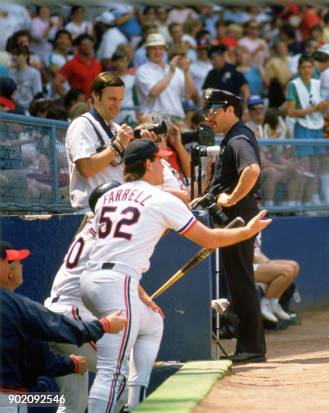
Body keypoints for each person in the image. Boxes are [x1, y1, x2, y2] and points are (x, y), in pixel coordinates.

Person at [80, 138, 270, 412]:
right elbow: (209, 239)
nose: (164, 164)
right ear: (147, 164)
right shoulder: (159, 198)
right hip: (116, 283)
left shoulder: (109, 196)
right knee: (112, 370)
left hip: (92, 280)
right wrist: (247, 232)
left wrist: (138, 293)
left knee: (153, 322)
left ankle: (135, 403)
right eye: (159, 160)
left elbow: (110, 247)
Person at [44, 182, 164, 413]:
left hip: (53, 318)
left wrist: (141, 295)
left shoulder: (93, 227)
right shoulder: (105, 230)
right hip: (73, 318)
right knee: (116, 374)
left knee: (73, 405)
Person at [0, 240, 127, 392]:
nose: (22, 266)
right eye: (17, 262)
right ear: (8, 271)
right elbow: (43, 346)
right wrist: (103, 325)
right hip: (8, 397)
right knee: (124, 378)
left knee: (67, 403)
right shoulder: (17, 306)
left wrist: (68, 364)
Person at [204, 88, 268, 364]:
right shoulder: (233, 136)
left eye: (214, 111)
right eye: (207, 111)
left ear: (230, 109)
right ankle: (250, 345)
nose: (209, 117)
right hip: (235, 217)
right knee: (240, 280)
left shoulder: (238, 137)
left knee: (241, 281)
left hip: (236, 217)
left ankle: (252, 346)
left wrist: (231, 197)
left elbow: (252, 170)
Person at [65, 71, 134, 211]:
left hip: (118, 209)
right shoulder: (82, 124)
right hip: (91, 211)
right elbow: (86, 168)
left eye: (120, 100)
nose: (117, 105)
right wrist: (117, 146)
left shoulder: (118, 129)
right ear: (96, 96)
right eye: (112, 99)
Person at [287, 55, 329, 205]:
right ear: (299, 69)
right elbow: (291, 111)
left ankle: (312, 199)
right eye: (303, 67)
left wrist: (325, 106)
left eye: (309, 67)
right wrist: (314, 109)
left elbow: (326, 103)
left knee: (317, 166)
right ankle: (298, 201)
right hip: (303, 128)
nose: (306, 70)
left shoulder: (317, 83)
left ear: (313, 69)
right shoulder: (293, 85)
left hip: (318, 127)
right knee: (304, 168)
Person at [135, 33, 197, 125]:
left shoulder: (175, 69)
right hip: (154, 120)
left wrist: (186, 72)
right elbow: (153, 93)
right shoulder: (143, 70)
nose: (158, 51)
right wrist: (171, 73)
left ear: (164, 51)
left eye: (160, 48)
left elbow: (188, 93)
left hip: (177, 118)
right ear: (147, 50)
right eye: (154, 48)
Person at [254, 234, 299, 323]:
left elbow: (257, 252)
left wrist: (268, 263)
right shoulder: (244, 224)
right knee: (286, 271)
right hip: (244, 267)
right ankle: (265, 304)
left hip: (256, 263)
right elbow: (250, 255)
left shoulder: (257, 226)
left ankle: (274, 302)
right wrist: (269, 265)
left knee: (294, 266)